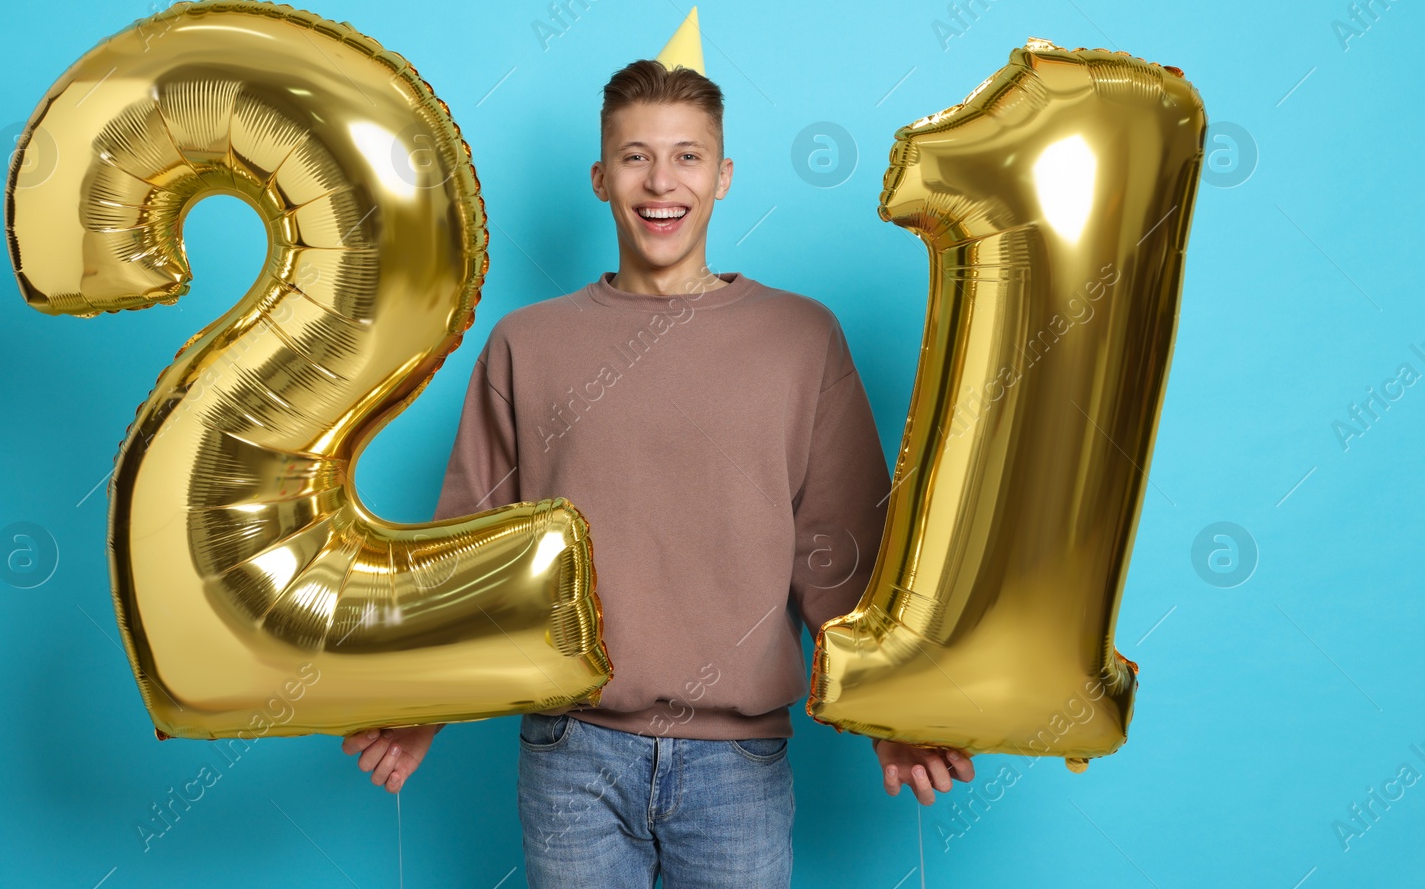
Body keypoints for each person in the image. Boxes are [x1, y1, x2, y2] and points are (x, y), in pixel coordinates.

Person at [342, 53, 974, 884]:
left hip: (738, 765)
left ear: (723, 175)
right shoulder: (525, 345)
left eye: (686, 155)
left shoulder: (801, 338)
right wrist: (424, 706)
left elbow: (837, 551)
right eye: (636, 155)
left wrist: (893, 710)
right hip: (570, 753)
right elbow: (469, 549)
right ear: (602, 177)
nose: (660, 180)